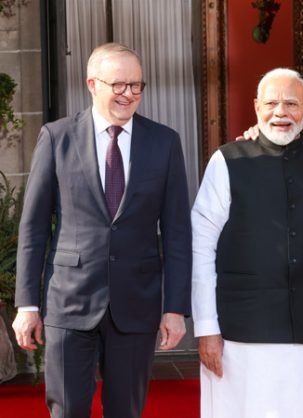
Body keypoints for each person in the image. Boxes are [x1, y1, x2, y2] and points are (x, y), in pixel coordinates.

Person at [12, 42, 192, 418]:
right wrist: (27, 305)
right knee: (68, 409)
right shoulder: (56, 137)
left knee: (125, 410)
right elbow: (33, 228)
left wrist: (175, 307)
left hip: (137, 303)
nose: (129, 94)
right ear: (92, 84)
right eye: (119, 85)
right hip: (69, 301)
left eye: (137, 86)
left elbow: (177, 232)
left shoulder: (164, 142)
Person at [191, 68, 303, 418]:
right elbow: (201, 248)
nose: (281, 112)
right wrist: (207, 328)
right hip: (238, 336)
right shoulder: (227, 161)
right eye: (271, 103)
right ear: (256, 106)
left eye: (291, 103)